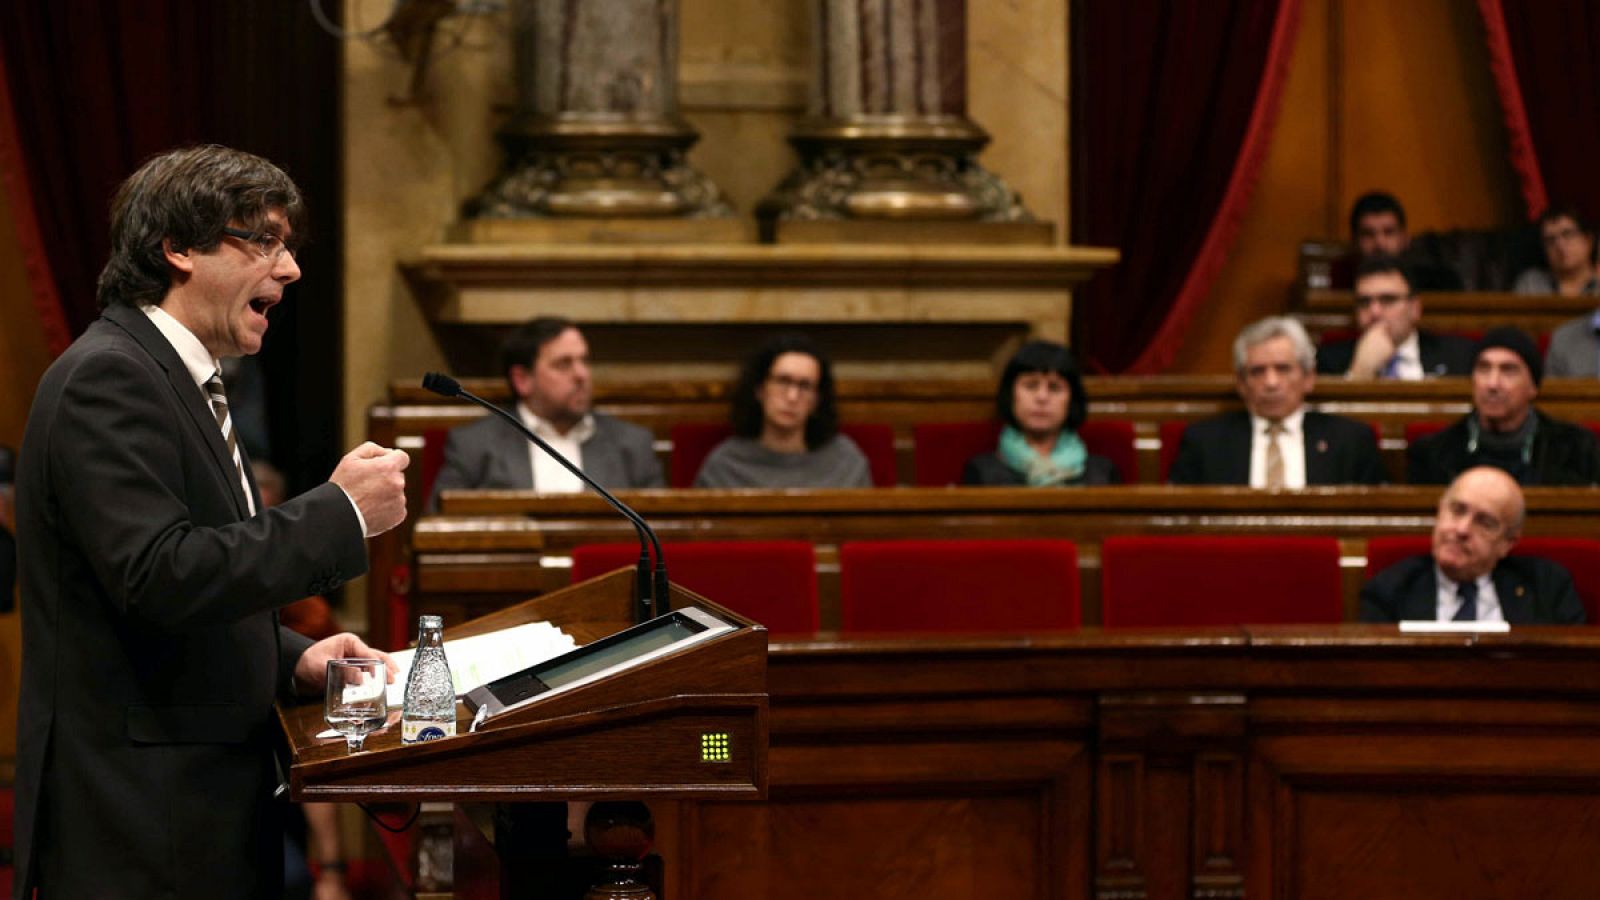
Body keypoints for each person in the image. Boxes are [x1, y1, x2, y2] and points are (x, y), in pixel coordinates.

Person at [12, 145, 408, 899]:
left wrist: (293, 655)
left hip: (189, 805)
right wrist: (342, 512)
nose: (289, 269)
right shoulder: (111, 378)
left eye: (287, 245)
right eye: (263, 240)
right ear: (177, 248)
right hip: (141, 819)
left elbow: (192, 580)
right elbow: (159, 576)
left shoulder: (177, 379)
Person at [428, 316, 662, 509]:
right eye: (564, 364)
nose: (581, 374)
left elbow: (663, 532)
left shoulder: (632, 444)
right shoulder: (474, 445)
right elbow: (436, 532)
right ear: (522, 380)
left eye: (584, 361)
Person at [1169, 317, 1385, 486]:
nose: (1271, 382)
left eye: (1283, 369)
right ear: (1241, 383)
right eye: (1257, 371)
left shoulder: (1350, 440)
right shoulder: (1204, 442)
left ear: (1308, 378)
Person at [1360, 467, 1586, 624]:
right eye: (1457, 511)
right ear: (1439, 511)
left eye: (1484, 522)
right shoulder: (1389, 590)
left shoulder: (1548, 589)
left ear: (1508, 543)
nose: (1462, 530)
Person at [1408, 327, 1600, 486]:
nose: (1492, 384)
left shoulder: (1576, 449)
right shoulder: (1433, 453)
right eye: (1484, 369)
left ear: (1533, 387)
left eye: (1508, 371)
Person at [694, 333, 871, 488]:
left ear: (816, 400)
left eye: (805, 386)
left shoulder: (846, 462)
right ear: (760, 389)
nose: (792, 396)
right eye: (783, 381)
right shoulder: (726, 465)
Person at [962, 340, 1119, 485]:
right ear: (1011, 394)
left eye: (1054, 387)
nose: (1042, 397)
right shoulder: (982, 472)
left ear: (1072, 399)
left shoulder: (1102, 474)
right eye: (1031, 385)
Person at [1315, 256, 1474, 379]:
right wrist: (1359, 372)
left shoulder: (1459, 356)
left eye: (1388, 300)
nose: (1375, 311)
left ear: (1415, 308)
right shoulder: (1329, 361)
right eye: (1364, 302)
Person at [1340, 191, 1464, 291]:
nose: (1380, 243)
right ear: (1354, 242)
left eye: (1389, 232)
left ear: (1405, 238)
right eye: (1368, 234)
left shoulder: (1440, 283)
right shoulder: (1341, 281)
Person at [1513, 204, 1600, 297]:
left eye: (1567, 234)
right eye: (1550, 240)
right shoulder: (1531, 284)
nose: (1560, 245)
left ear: (1588, 240)